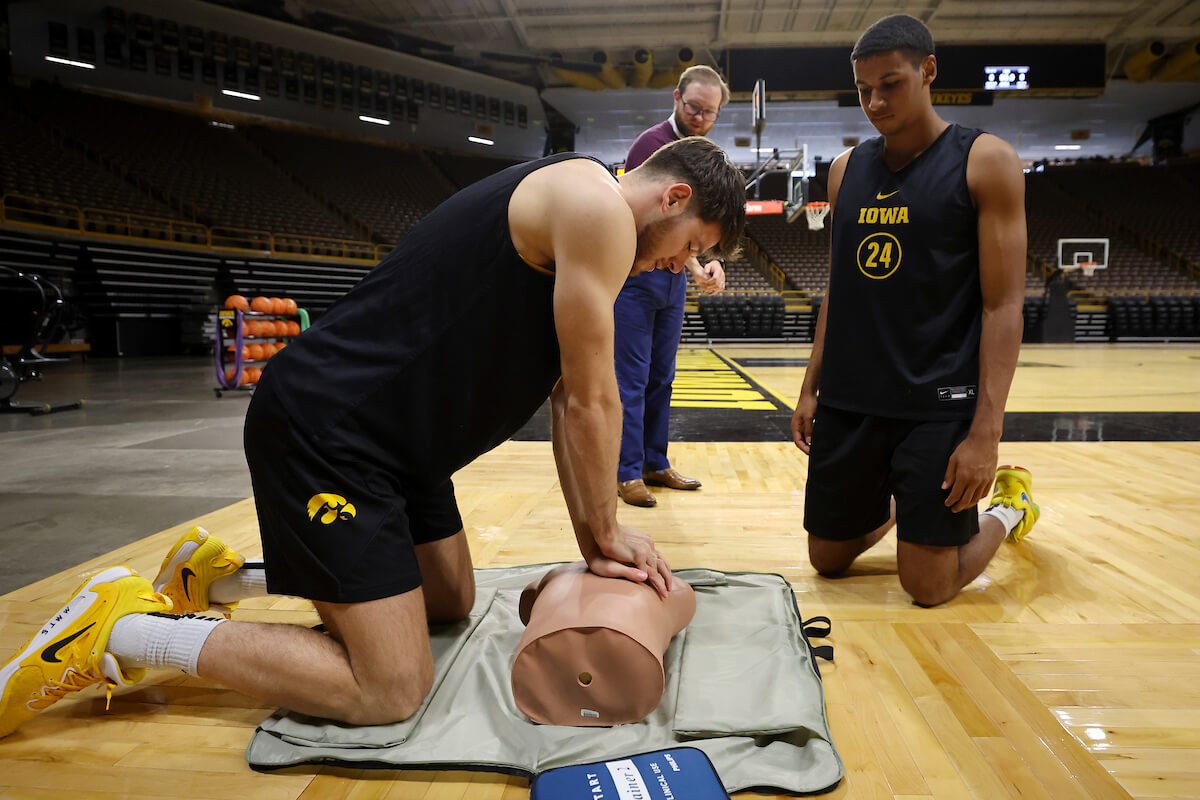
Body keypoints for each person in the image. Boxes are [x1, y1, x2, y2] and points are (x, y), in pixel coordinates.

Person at [0, 137, 746, 737]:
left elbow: (561, 400)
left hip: (401, 455)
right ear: (673, 196)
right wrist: (606, 536)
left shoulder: (585, 224)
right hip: (331, 433)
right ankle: (122, 631)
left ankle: (220, 580)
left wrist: (596, 540)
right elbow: (592, 399)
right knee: (389, 688)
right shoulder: (600, 211)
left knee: (449, 601)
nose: (685, 266)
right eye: (693, 243)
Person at [791, 14, 1039, 607]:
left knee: (926, 586)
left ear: (929, 71)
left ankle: (1008, 508)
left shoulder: (986, 160)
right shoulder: (846, 169)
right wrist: (809, 388)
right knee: (827, 559)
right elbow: (838, 288)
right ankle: (910, 498)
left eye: (891, 83)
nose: (875, 101)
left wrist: (987, 431)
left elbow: (1003, 306)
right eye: (863, 89)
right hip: (853, 397)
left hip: (937, 402)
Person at [616, 65, 732, 508]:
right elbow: (651, 223)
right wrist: (692, 262)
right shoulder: (651, 146)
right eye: (694, 107)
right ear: (675, 98)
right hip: (638, 277)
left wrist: (705, 263)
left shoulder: (704, 156)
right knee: (631, 378)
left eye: (710, 112)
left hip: (672, 282)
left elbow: (692, 226)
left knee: (662, 378)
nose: (700, 117)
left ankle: (653, 461)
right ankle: (626, 472)